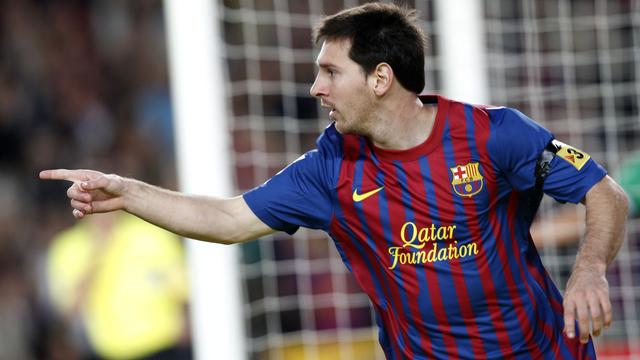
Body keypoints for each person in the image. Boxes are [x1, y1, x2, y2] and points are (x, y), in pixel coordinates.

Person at [40, 3, 629, 359]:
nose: (316, 88)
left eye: (329, 71)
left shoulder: (494, 135)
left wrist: (588, 268)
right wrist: (131, 191)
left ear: (380, 78)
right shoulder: (330, 169)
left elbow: (605, 191)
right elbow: (227, 218)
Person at [46, 211, 191, 360]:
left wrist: (186, 322)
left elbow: (183, 287)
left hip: (163, 345)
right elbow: (69, 307)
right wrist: (98, 253)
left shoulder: (150, 233)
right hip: (109, 351)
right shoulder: (68, 247)